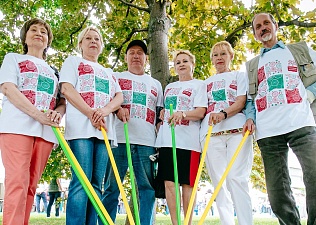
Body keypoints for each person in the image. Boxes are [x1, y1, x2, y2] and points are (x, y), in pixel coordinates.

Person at [243, 12, 316, 225]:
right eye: (258, 26)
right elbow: (250, 100)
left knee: (314, 176)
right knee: (276, 193)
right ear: (255, 34)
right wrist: (250, 118)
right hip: (267, 132)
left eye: (267, 23)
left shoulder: (299, 50)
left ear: (275, 26)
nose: (263, 27)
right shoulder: (252, 65)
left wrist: (309, 94)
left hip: (301, 124)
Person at [0, 18, 65, 225]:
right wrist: (38, 115)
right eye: (33, 30)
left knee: (31, 185)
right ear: (25, 37)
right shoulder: (14, 59)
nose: (39, 33)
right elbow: (8, 88)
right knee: (17, 181)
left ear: (48, 41)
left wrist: (58, 114)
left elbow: (61, 103)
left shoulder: (55, 71)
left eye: (44, 32)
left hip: (45, 133)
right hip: (16, 127)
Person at [60, 26, 123, 225]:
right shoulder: (73, 62)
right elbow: (67, 89)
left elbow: (119, 96)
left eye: (97, 38)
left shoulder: (109, 72)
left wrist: (103, 111)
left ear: (101, 46)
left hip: (104, 130)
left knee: (97, 183)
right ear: (81, 44)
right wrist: (90, 113)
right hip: (80, 129)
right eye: (88, 38)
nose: (93, 41)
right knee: (81, 181)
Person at [101, 40, 163, 225]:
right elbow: (107, 102)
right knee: (112, 188)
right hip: (118, 140)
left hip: (147, 142)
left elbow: (159, 114)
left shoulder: (156, 84)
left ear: (146, 58)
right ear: (126, 57)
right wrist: (117, 109)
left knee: (146, 189)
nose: (136, 56)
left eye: (140, 53)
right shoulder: (115, 77)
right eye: (132, 52)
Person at [200, 41, 253, 225]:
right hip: (211, 135)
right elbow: (201, 109)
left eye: (223, 54)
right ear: (212, 60)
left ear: (231, 56)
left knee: (236, 178)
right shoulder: (205, 83)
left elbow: (240, 102)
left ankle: (246, 222)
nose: (219, 58)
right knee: (218, 184)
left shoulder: (239, 76)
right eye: (215, 55)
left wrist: (223, 114)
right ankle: (227, 222)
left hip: (237, 131)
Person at [155, 50, 207, 225]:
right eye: (178, 62)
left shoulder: (199, 85)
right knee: (170, 184)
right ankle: (175, 223)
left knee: (188, 185)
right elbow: (163, 110)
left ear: (192, 64)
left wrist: (183, 114)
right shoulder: (169, 88)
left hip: (189, 142)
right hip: (167, 140)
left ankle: (188, 223)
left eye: (185, 61)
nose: (181, 64)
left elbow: (200, 112)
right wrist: (163, 113)